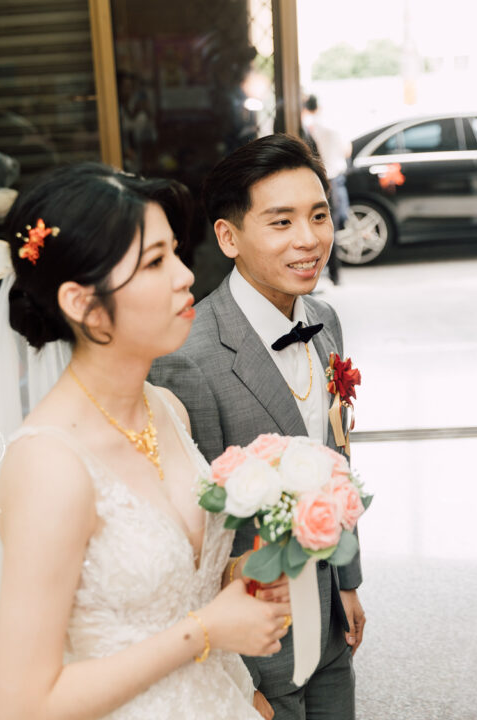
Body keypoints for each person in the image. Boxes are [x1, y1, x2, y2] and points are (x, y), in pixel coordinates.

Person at [0, 163, 291, 720]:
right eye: (154, 262)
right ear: (83, 303)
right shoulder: (48, 465)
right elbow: (22, 704)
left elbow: (172, 594)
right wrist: (205, 630)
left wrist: (235, 580)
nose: (184, 275)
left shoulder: (168, 409)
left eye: (174, 251)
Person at [150, 134, 363, 720]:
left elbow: (337, 461)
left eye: (319, 215)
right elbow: (191, 539)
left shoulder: (323, 319)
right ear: (228, 237)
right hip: (255, 651)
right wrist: (234, 681)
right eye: (281, 221)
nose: (309, 239)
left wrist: (347, 580)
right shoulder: (187, 356)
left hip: (331, 627)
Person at [303, 95, 350, 285]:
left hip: (317, 179)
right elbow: (346, 151)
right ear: (319, 107)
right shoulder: (332, 124)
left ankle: (322, 272)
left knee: (319, 225)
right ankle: (334, 274)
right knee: (332, 225)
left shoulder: (307, 126)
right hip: (334, 179)